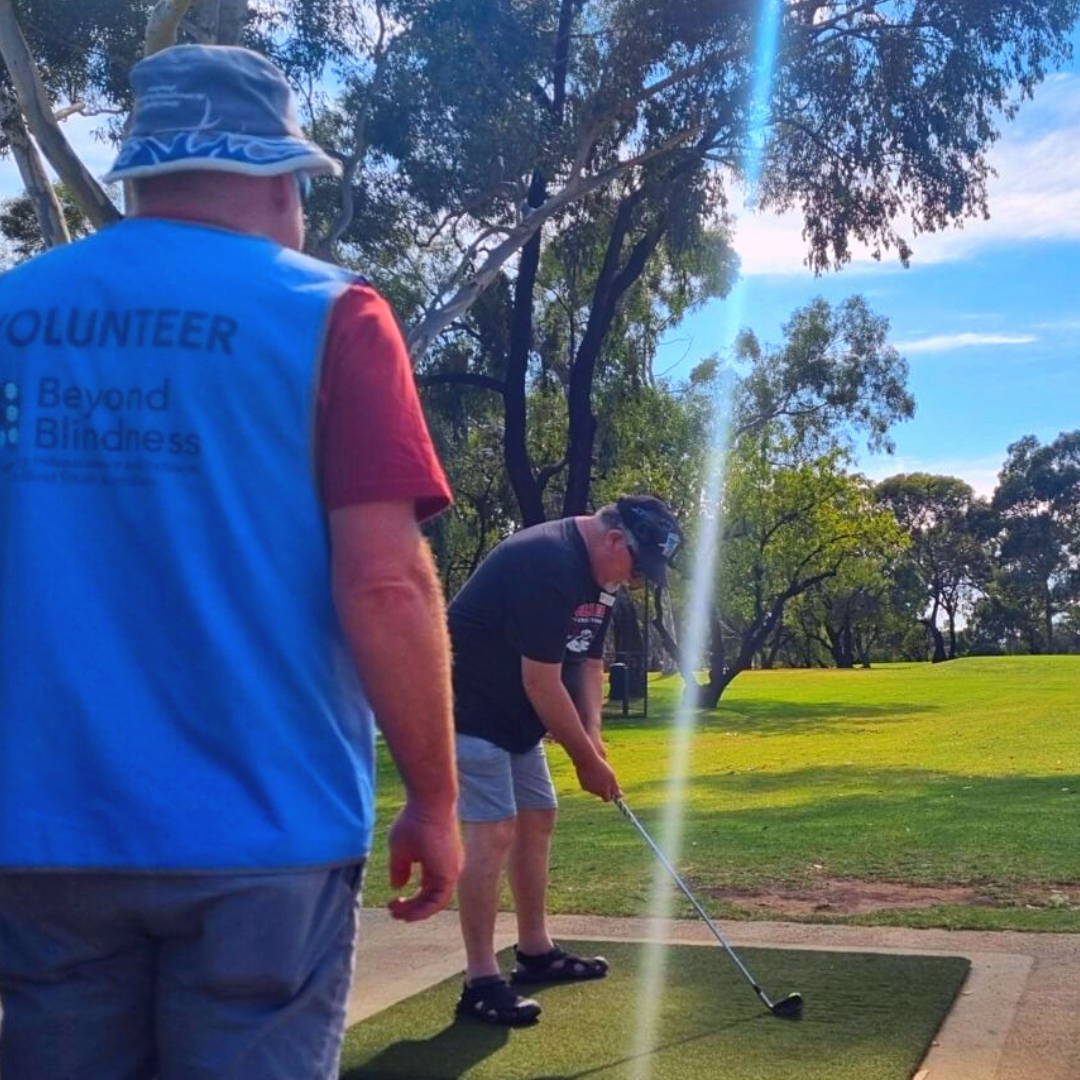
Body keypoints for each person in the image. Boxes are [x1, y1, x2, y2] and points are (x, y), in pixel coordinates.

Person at [0, 45, 462, 1080]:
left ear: (139, 171)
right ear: (279, 177)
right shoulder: (334, 314)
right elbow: (386, 582)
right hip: (265, 831)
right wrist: (434, 799)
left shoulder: (11, 313)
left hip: (41, 834)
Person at [449, 496, 682, 1024]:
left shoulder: (601, 581)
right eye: (638, 568)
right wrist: (584, 761)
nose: (636, 581)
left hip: (519, 716)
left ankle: (535, 954)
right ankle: (480, 981)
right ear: (615, 540)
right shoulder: (547, 564)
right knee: (494, 829)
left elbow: (589, 661)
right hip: (467, 707)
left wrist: (593, 736)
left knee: (538, 815)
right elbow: (542, 680)